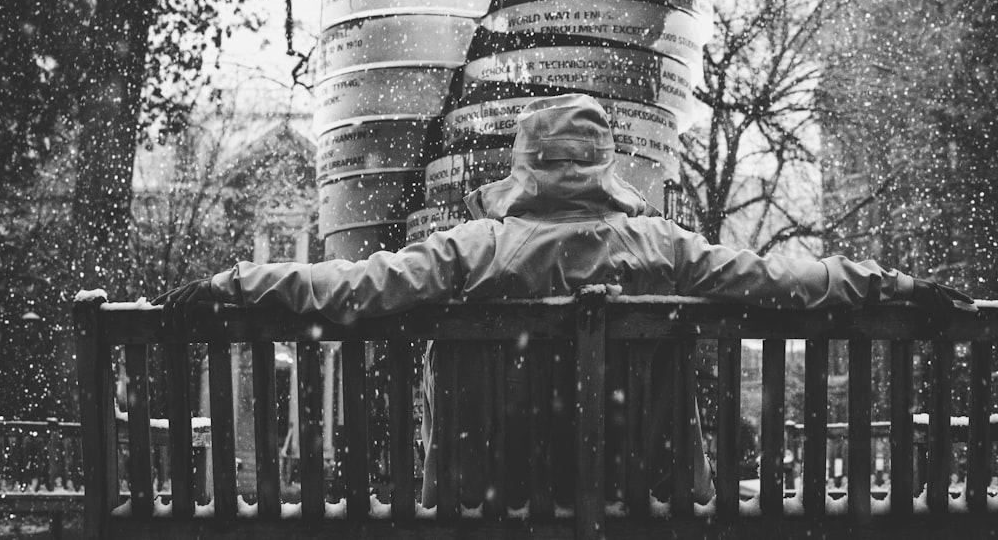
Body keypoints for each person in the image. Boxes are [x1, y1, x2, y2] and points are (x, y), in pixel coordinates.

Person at [155, 93, 976, 507]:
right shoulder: (664, 245)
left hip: (484, 496)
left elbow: (352, 287)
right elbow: (787, 278)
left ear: (528, 167)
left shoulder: (476, 247)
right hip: (639, 498)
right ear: (605, 167)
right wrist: (893, 285)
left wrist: (234, 282)